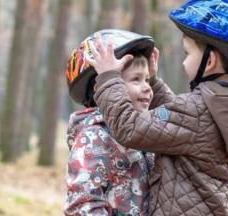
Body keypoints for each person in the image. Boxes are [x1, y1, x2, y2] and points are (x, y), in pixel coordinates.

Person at [86, 1, 228, 216]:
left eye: (188, 53)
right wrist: (153, 83)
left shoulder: (197, 111)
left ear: (209, 61)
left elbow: (130, 128)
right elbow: (179, 123)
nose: (184, 62)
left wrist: (109, 78)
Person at [64, 29, 158, 216]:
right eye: (136, 79)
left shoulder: (142, 133)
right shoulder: (94, 138)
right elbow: (83, 206)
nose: (147, 87)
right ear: (103, 88)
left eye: (147, 79)